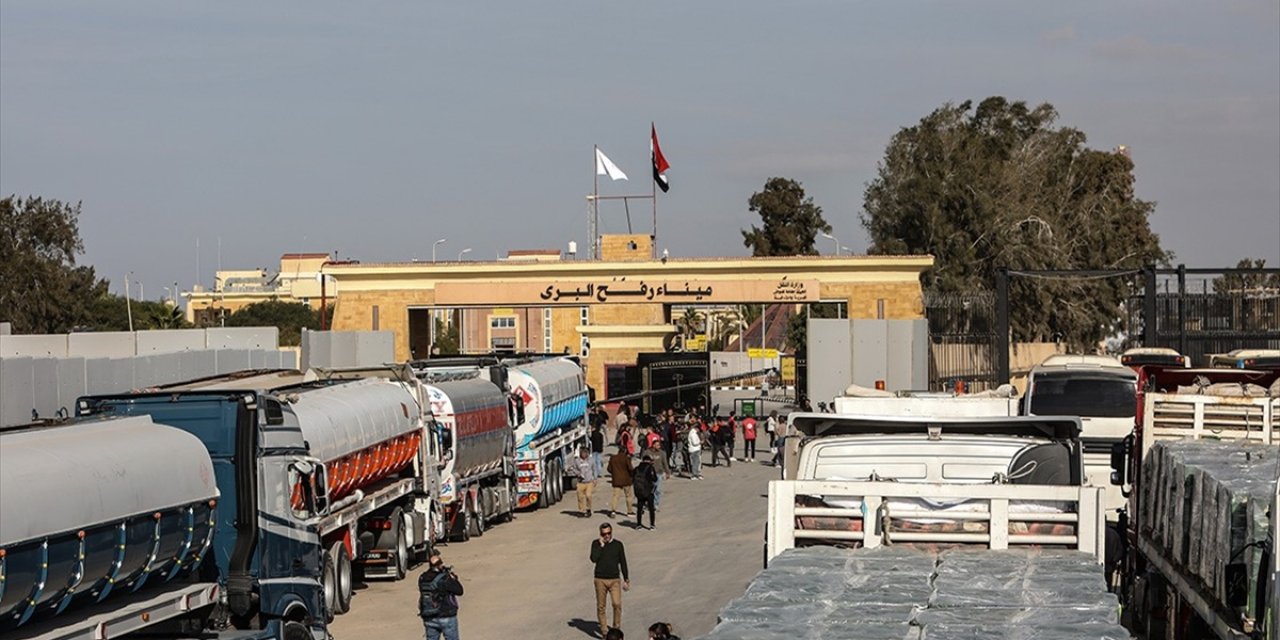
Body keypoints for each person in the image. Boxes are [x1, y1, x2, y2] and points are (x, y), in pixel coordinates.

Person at [590, 523, 630, 638]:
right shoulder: (596, 544)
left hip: (614, 580)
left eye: (608, 533)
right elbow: (593, 559)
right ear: (600, 534)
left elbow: (623, 561)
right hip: (600, 579)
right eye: (604, 534)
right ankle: (604, 632)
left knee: (617, 604)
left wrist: (626, 578)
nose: (606, 536)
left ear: (612, 532)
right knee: (601, 606)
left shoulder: (618, 545)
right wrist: (601, 546)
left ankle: (616, 629)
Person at [418, 551, 464, 640]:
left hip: (429, 617)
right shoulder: (444, 578)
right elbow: (459, 591)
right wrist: (453, 579)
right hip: (446, 616)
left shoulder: (422, 578)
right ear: (439, 565)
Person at [569, 446, 598, 517]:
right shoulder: (577, 461)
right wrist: (578, 473)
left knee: (588, 495)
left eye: (585, 453)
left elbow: (594, 469)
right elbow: (573, 469)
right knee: (580, 496)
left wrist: (595, 478)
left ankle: (588, 509)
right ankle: (582, 510)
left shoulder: (591, 460)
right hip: (581, 482)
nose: (584, 454)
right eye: (582, 453)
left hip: (589, 482)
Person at [607, 446, 634, 518]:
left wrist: (615, 473)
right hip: (626, 480)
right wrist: (632, 476)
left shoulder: (613, 458)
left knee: (615, 496)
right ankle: (629, 511)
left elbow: (609, 469)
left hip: (616, 480)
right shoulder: (626, 458)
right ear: (625, 451)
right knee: (628, 496)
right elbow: (630, 468)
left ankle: (613, 510)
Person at [633, 454, 659, 529]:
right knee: (651, 508)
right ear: (649, 461)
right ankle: (652, 524)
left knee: (639, 508)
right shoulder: (650, 468)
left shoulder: (636, 468)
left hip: (639, 490)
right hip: (649, 491)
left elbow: (632, 478)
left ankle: (638, 524)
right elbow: (655, 479)